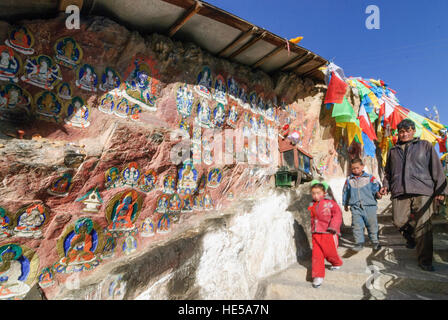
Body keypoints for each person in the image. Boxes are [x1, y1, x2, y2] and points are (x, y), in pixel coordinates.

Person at [379, 119, 448, 272]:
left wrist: (441, 191)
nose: (403, 134)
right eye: (401, 132)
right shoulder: (393, 151)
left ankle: (425, 261)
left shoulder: (425, 146)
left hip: (423, 190)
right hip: (400, 191)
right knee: (398, 221)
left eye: (406, 131)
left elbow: (436, 168)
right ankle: (411, 236)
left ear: (413, 131)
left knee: (423, 226)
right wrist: (385, 185)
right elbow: (388, 173)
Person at [307, 180, 343, 288]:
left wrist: (333, 226)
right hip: (316, 233)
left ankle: (336, 262)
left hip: (327, 232)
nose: (316, 195)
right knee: (316, 255)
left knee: (329, 252)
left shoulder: (331, 203)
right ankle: (318, 276)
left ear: (324, 193)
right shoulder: (312, 204)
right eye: (313, 193)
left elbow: (337, 215)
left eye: (318, 193)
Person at [342, 158, 382, 251]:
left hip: (369, 206)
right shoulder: (349, 180)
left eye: (357, 168)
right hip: (355, 207)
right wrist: (345, 204)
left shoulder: (370, 178)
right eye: (353, 169)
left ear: (362, 167)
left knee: (372, 225)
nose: (355, 170)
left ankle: (375, 241)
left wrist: (378, 194)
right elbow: (345, 192)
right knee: (356, 225)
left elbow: (376, 188)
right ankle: (358, 243)